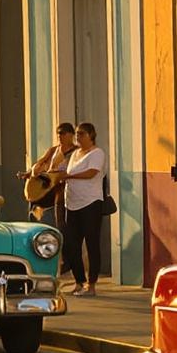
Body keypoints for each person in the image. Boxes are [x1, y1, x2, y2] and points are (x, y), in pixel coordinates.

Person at [57, 122, 110, 295]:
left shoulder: (97, 153)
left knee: (92, 242)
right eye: (77, 134)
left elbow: (92, 173)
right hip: (71, 204)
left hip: (90, 203)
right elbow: (65, 170)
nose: (78, 137)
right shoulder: (75, 154)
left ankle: (92, 284)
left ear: (91, 135)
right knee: (72, 244)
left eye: (81, 134)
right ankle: (79, 281)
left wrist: (70, 175)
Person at [23, 122, 74, 226]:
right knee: (34, 196)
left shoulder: (75, 151)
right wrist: (32, 172)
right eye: (58, 133)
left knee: (60, 209)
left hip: (62, 185)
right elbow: (40, 162)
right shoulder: (53, 150)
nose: (60, 136)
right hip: (48, 183)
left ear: (71, 135)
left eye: (63, 133)